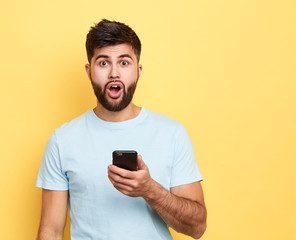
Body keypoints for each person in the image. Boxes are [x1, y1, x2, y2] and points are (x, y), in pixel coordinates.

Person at [36, 19, 207, 240]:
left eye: (124, 63)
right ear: (89, 71)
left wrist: (149, 189)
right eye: (103, 63)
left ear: (138, 70)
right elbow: (51, 231)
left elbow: (197, 228)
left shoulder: (172, 133)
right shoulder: (62, 140)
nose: (114, 73)